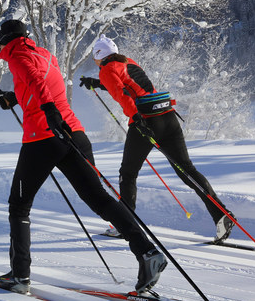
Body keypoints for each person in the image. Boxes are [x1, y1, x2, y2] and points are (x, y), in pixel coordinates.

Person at [0, 19, 166, 295]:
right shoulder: (44, 55)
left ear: (4, 40)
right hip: (74, 132)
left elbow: (36, 82)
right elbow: (43, 84)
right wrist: (15, 99)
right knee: (99, 198)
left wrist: (48, 111)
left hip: (43, 137)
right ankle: (147, 253)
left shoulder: (17, 54)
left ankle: (19, 275)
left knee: (19, 205)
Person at [79, 35, 235, 243]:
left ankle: (125, 223)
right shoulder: (128, 61)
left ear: (99, 55)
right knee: (187, 170)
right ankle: (220, 214)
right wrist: (97, 84)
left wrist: (136, 119)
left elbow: (122, 94)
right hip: (168, 117)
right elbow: (129, 86)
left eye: (94, 57)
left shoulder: (105, 69)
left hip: (145, 121)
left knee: (128, 173)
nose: (95, 62)